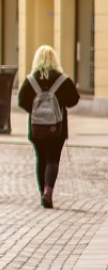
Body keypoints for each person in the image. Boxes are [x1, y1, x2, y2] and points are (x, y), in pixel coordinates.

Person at [19, 45, 81, 208]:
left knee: (41, 159)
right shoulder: (62, 79)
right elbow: (73, 100)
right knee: (53, 159)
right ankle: (48, 190)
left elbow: (22, 101)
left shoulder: (31, 80)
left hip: (37, 128)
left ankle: (42, 193)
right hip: (57, 128)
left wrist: (35, 111)